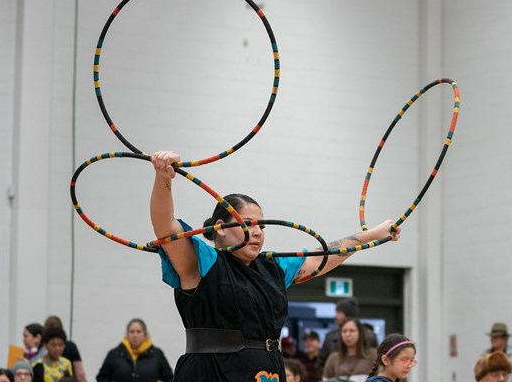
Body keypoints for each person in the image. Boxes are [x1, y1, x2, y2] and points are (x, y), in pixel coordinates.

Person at [150, 150, 400, 381]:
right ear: (220, 228)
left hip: (267, 371)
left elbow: (321, 256)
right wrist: (164, 179)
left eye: (262, 226)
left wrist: (374, 235)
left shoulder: (272, 267)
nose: (257, 232)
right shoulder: (203, 261)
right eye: (248, 223)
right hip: (211, 372)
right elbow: (166, 227)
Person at [96, 318, 173, 382]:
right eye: (132, 331)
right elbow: (101, 377)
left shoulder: (157, 354)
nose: (135, 335)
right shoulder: (114, 354)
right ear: (127, 334)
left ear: (145, 334)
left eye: (138, 331)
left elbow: (170, 378)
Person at [320, 298, 378, 364]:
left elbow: (375, 363)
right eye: (344, 331)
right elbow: (322, 362)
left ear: (348, 314)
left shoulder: (370, 336)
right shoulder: (330, 337)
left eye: (338, 313)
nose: (335, 316)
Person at [43, 316, 87, 382]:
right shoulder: (71, 346)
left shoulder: (41, 347)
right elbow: (80, 374)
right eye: (53, 345)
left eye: (60, 345)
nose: (57, 348)